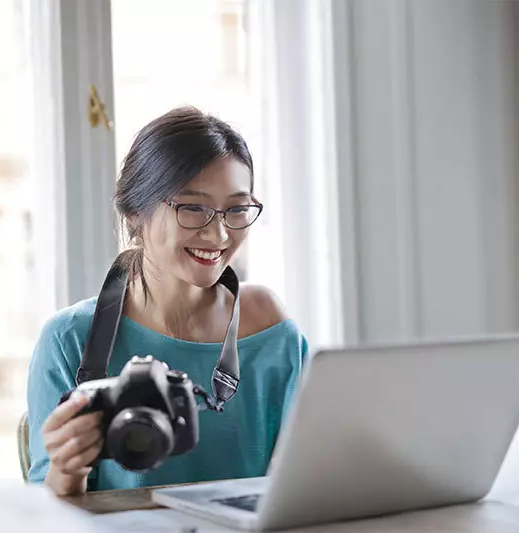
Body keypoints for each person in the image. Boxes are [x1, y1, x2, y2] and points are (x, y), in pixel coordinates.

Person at [26, 106, 309, 496]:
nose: (219, 234)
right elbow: (47, 513)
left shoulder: (269, 326)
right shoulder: (71, 339)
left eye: (236, 209)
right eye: (193, 207)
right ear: (134, 213)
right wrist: (67, 468)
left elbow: (314, 478)